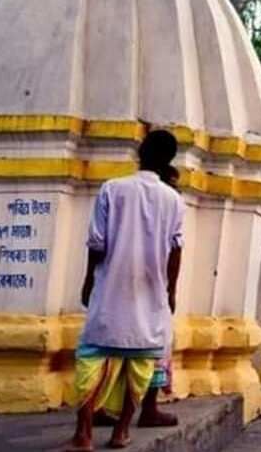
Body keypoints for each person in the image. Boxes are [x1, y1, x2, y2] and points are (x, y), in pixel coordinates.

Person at [70, 131, 185, 451]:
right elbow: (176, 249)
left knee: (91, 358)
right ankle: (122, 432)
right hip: (152, 290)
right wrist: (170, 290)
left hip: (111, 286)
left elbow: (96, 243)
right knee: (142, 361)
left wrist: (88, 280)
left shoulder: (113, 189)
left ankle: (83, 435)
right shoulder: (173, 199)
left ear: (140, 152)